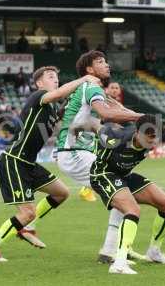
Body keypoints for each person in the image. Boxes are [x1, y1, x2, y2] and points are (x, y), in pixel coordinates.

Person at [0, 66, 101, 262]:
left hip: (29, 163)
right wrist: (84, 79)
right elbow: (60, 93)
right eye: (51, 77)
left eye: (57, 77)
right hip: (14, 160)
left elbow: (69, 120)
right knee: (27, 212)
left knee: (61, 193)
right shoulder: (39, 96)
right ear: (39, 83)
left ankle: (26, 227)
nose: (56, 80)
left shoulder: (51, 108)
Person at [53, 50, 145, 264]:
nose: (107, 65)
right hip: (74, 154)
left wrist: (132, 118)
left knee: (122, 191)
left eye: (106, 60)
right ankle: (115, 249)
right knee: (122, 191)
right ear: (89, 69)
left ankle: (113, 249)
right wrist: (142, 117)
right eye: (100, 62)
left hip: (78, 152)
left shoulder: (93, 89)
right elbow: (107, 114)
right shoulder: (91, 87)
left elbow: (115, 110)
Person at [90, 114, 165, 274]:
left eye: (155, 137)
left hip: (125, 176)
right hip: (103, 175)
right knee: (133, 210)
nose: (152, 141)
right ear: (137, 133)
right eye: (149, 137)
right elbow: (97, 127)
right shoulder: (116, 140)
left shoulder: (149, 143)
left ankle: (154, 252)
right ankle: (119, 263)